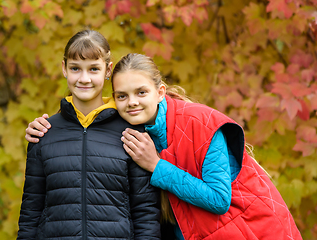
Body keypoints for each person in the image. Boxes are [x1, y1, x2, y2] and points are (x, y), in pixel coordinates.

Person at [25, 53, 302, 240]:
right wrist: (47, 127)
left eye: (141, 92)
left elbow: (218, 200)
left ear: (160, 92)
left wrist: (155, 165)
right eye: (122, 95)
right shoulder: (130, 131)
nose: (132, 102)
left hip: (253, 229)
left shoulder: (200, 122)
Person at [17, 31, 161, 240]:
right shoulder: (44, 133)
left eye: (94, 69)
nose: (84, 79)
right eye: (75, 68)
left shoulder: (131, 132)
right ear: (64, 68)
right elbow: (31, 211)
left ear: (108, 70)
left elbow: (145, 213)